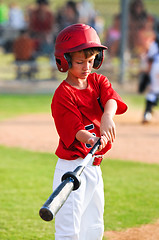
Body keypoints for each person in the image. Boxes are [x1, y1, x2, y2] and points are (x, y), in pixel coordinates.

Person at [51, 24, 127, 240]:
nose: (86, 67)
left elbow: (111, 98)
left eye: (91, 60)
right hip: (72, 168)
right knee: (69, 229)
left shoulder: (97, 81)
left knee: (93, 226)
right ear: (65, 61)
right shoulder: (63, 94)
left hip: (93, 167)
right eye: (79, 62)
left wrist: (107, 116)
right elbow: (75, 130)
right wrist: (93, 138)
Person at [142, 34, 159, 123]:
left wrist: (147, 75)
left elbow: (150, 60)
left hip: (156, 67)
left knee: (153, 91)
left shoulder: (154, 45)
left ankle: (147, 114)